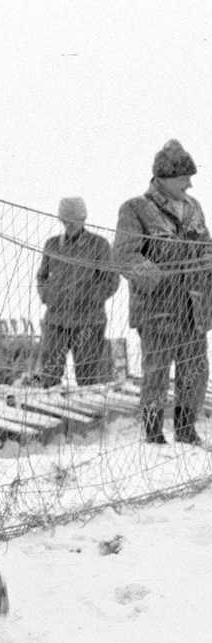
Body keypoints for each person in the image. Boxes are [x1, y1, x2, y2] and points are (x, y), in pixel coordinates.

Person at [114, 139, 212, 444]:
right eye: (184, 178)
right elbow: (124, 256)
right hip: (157, 308)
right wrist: (155, 276)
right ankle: (153, 432)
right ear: (164, 178)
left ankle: (185, 429)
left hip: (194, 307)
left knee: (195, 370)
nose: (190, 184)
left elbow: (204, 246)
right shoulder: (136, 209)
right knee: (156, 370)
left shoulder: (193, 209)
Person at [35, 196, 119, 388]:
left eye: (74, 221)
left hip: (89, 322)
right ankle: (51, 415)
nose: (70, 225)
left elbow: (111, 281)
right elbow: (42, 277)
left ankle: (90, 416)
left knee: (87, 378)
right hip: (56, 320)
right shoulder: (52, 245)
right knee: (49, 375)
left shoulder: (99, 245)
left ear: (83, 219)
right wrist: (49, 297)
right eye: (66, 221)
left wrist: (89, 298)